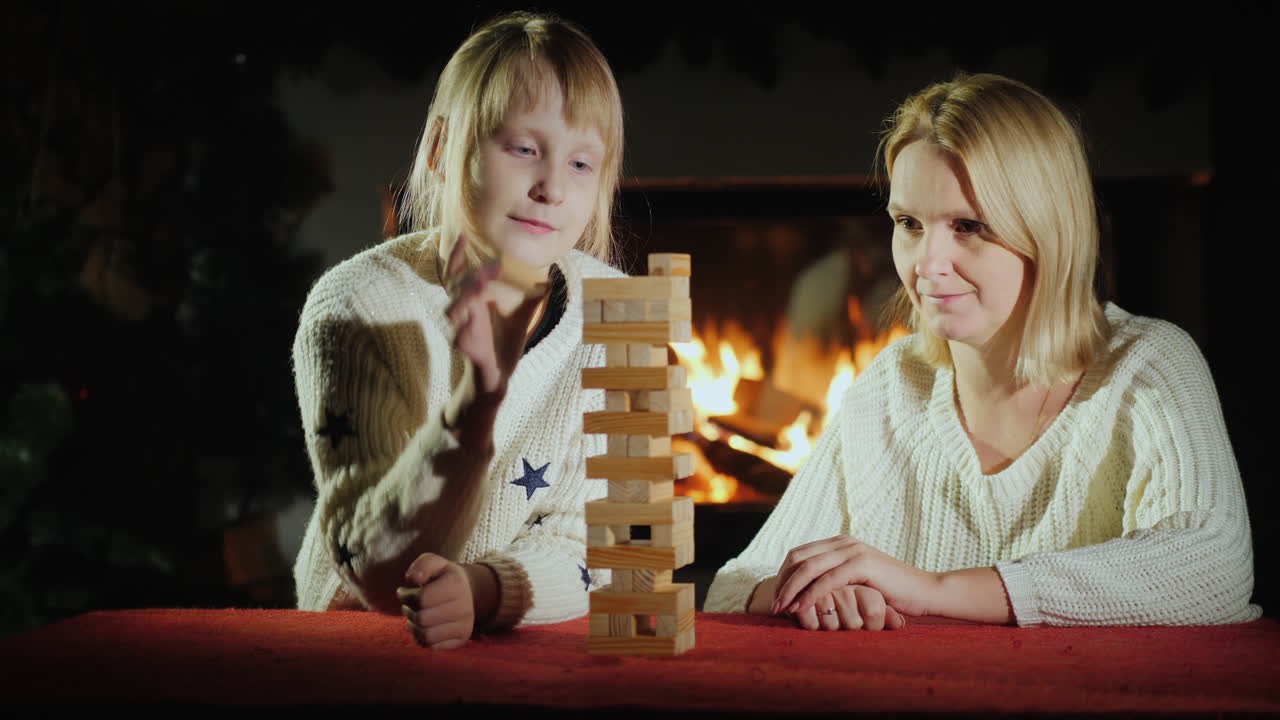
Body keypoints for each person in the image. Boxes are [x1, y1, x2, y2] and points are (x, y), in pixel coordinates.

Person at [705, 73, 1260, 630]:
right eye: (909, 224)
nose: (926, 262)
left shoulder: (1148, 365)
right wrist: (810, 591)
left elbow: (1213, 568)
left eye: (968, 226)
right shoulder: (893, 384)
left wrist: (936, 590)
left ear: (1048, 230)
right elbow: (733, 585)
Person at [290, 11, 627, 649]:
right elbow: (373, 566)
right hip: (359, 646)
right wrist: (476, 406)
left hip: (515, 645)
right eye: (525, 149)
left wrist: (482, 589)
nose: (552, 186)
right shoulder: (357, 305)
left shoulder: (613, 310)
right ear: (445, 150)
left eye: (582, 163)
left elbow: (593, 544)